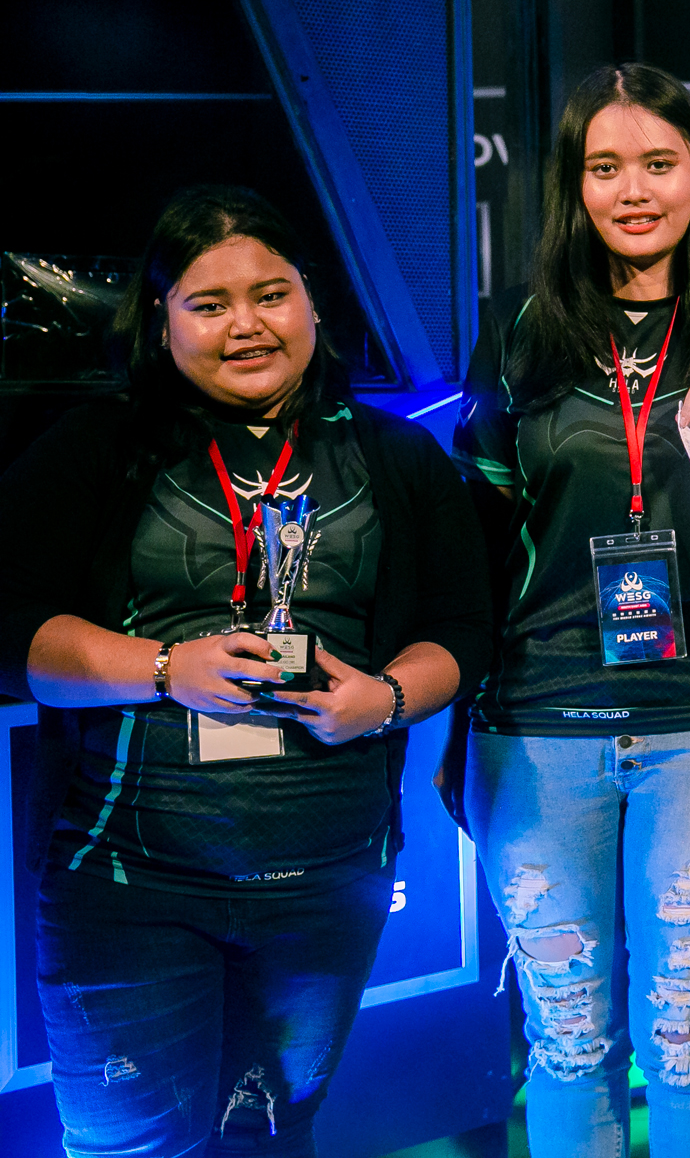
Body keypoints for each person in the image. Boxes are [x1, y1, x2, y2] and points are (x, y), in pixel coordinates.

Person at [0, 186, 491, 1158]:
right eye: (209, 303)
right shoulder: (99, 449)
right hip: (128, 887)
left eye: (271, 294)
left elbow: (460, 630)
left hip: (327, 887)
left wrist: (384, 699)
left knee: (272, 1140)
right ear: (160, 318)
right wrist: (164, 668)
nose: (247, 325)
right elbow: (11, 633)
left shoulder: (397, 458)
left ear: (310, 299)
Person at [450, 63, 690, 1158]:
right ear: (574, 184)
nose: (635, 190)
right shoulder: (518, 331)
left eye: (659, 163)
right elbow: (477, 538)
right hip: (535, 729)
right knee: (569, 1047)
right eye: (605, 167)